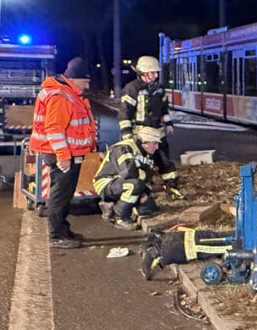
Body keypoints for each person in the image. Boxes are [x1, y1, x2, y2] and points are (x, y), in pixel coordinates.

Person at [29, 56, 97, 249]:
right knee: (60, 195)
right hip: (63, 154)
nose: (87, 86)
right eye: (85, 81)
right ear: (74, 78)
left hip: (66, 153)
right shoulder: (61, 96)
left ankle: (62, 230)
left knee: (64, 194)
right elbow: (55, 129)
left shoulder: (67, 93)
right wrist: (64, 156)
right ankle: (57, 235)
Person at [117, 55, 180, 197]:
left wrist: (168, 122)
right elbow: (124, 113)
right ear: (143, 73)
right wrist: (127, 133)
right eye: (152, 72)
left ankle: (172, 186)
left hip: (158, 132)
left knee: (164, 160)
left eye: (156, 72)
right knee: (140, 163)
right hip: (141, 134)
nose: (156, 75)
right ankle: (142, 191)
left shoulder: (159, 89)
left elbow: (164, 108)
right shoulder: (131, 89)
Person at [93, 126, 164, 230]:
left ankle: (112, 207)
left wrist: (145, 191)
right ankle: (118, 217)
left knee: (150, 209)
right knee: (135, 186)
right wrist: (143, 183)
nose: (157, 147)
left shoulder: (142, 151)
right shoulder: (123, 148)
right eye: (155, 143)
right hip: (106, 183)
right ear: (145, 142)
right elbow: (128, 172)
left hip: (122, 183)